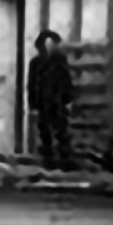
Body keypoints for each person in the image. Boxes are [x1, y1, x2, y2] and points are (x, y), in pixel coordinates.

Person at [26, 29, 76, 169]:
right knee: (45, 133)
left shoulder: (59, 62)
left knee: (61, 132)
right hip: (43, 102)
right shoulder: (36, 63)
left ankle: (64, 160)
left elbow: (66, 81)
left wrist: (67, 99)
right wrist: (33, 105)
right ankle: (49, 161)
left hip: (57, 101)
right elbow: (31, 85)